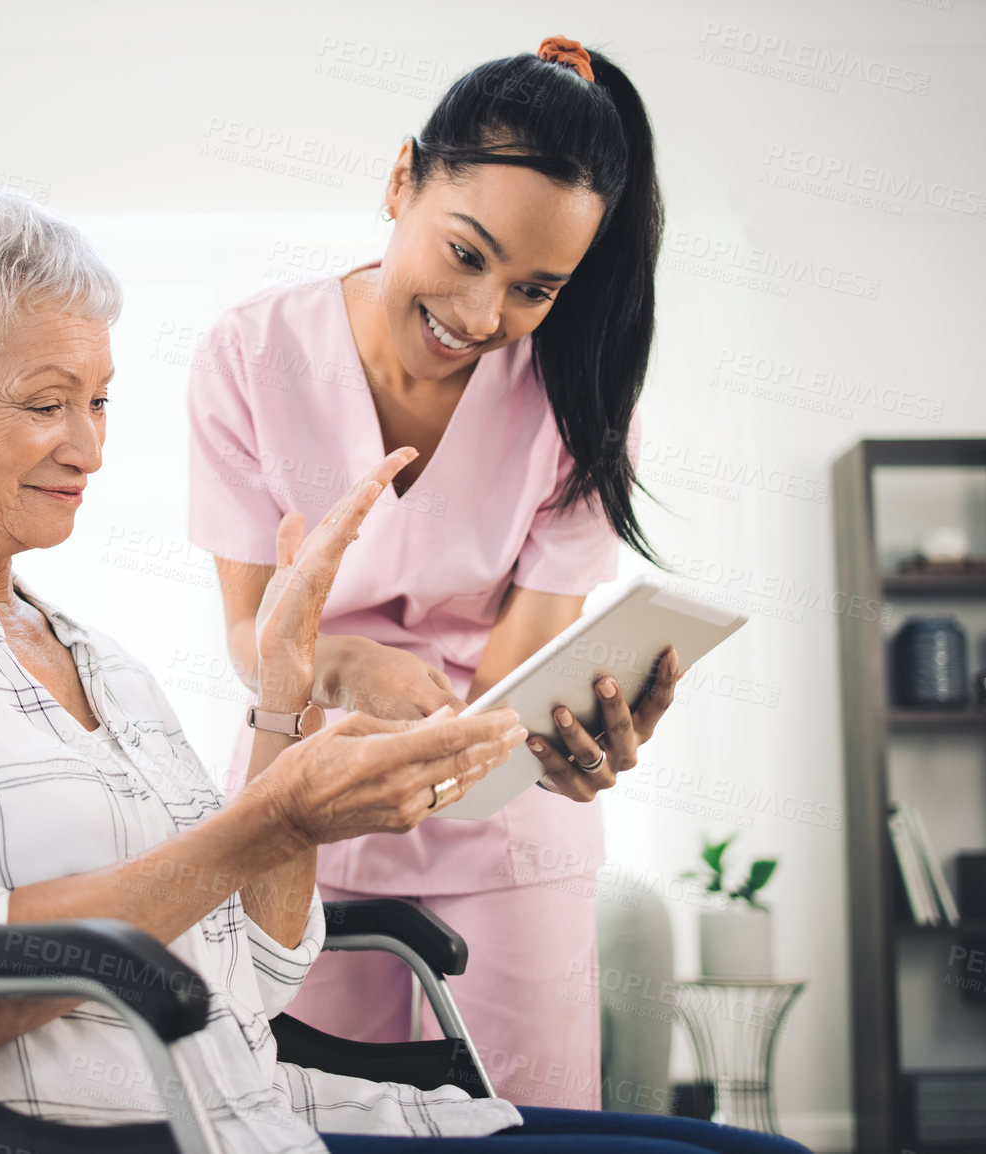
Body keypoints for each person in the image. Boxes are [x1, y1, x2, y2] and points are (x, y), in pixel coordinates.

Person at [0, 182, 805, 1154]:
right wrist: (270, 820)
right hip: (95, 1129)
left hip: (262, 1103)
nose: (90, 444)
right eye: (46, 402)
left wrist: (280, 699)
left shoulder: (98, 662)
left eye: (100, 399)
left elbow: (257, 975)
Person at [186, 38, 661, 1106]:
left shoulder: (579, 402)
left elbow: (517, 670)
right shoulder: (252, 354)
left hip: (504, 816)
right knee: (301, 1115)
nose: (485, 317)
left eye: (537, 288)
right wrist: (346, 665)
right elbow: (250, 632)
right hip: (307, 792)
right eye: (466, 254)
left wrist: (564, 739)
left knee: (524, 1124)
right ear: (402, 179)